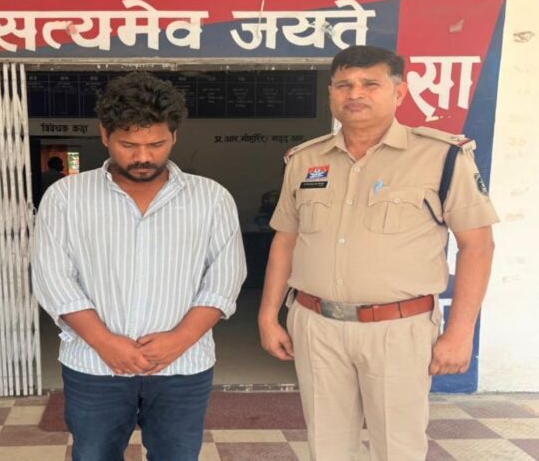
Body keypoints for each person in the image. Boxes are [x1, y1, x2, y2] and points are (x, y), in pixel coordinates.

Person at [258, 45, 497, 461]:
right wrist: (267, 315)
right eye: (344, 85)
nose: (355, 94)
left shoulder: (441, 156)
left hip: (398, 329)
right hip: (316, 324)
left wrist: (461, 332)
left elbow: (477, 245)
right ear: (330, 93)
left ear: (399, 92)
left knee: (397, 447)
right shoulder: (305, 159)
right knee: (327, 446)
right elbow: (286, 240)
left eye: (370, 84)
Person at [32, 71, 246, 461]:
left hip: (183, 367)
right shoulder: (66, 197)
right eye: (128, 144)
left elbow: (225, 278)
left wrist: (180, 339)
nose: (143, 156)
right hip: (95, 367)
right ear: (104, 135)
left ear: (174, 136)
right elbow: (53, 277)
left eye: (156, 144)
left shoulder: (211, 198)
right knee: (93, 455)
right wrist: (105, 342)